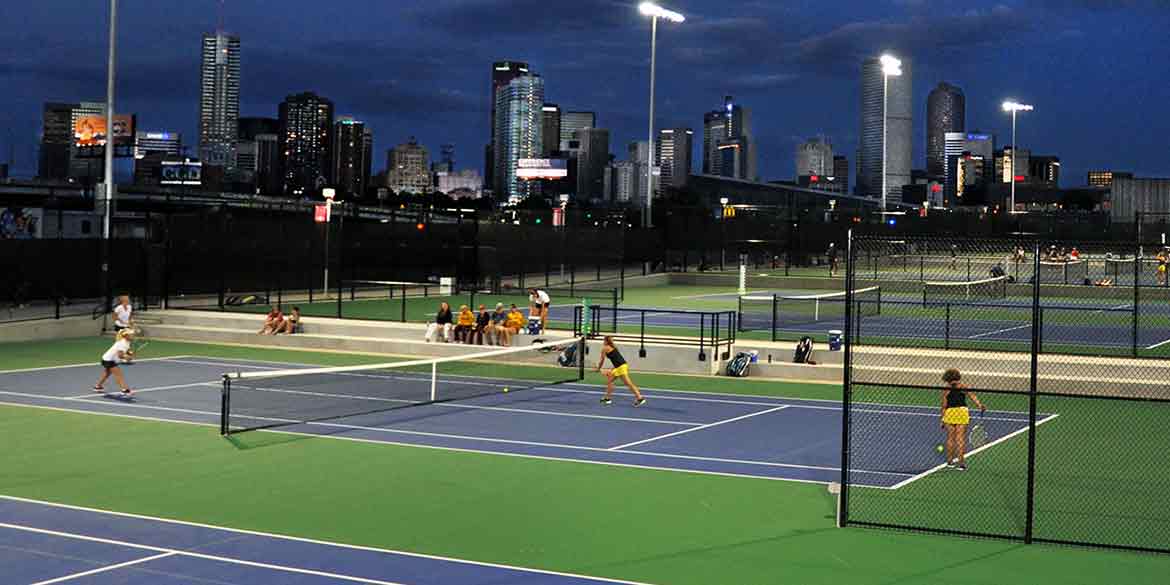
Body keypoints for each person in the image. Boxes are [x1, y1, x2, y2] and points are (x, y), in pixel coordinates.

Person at [940, 368, 985, 471]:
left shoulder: (946, 390)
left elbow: (944, 406)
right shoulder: (963, 387)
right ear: (958, 376)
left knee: (950, 438)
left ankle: (950, 462)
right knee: (960, 439)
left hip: (950, 413)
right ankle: (961, 464)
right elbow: (972, 396)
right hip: (962, 413)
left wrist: (942, 419)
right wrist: (979, 405)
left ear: (947, 378)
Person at [597, 336, 646, 407]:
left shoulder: (605, 348)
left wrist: (598, 368)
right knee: (610, 381)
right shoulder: (613, 347)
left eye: (604, 340)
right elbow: (616, 359)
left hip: (621, 367)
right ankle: (607, 398)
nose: (603, 342)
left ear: (606, 341)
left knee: (628, 383)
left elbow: (602, 360)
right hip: (620, 366)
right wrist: (611, 370)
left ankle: (640, 398)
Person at [93, 329, 134, 396]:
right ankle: (125, 390)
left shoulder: (127, 342)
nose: (133, 336)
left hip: (107, 359)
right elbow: (120, 355)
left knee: (107, 373)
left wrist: (129, 353)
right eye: (131, 334)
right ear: (126, 335)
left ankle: (98, 386)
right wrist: (127, 358)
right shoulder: (122, 343)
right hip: (109, 360)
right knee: (118, 374)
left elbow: (127, 350)